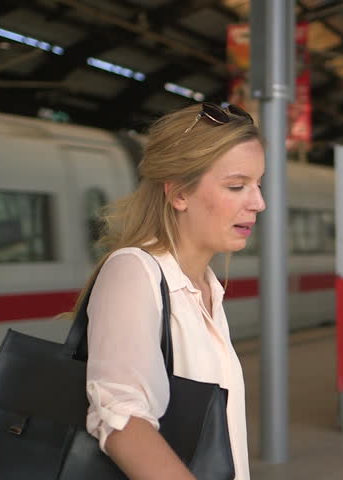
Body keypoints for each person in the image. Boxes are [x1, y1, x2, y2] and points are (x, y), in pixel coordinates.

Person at [80, 102, 265, 479]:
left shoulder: (206, 287)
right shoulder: (134, 272)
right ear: (179, 193)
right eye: (237, 186)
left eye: (258, 185)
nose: (258, 203)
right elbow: (121, 421)